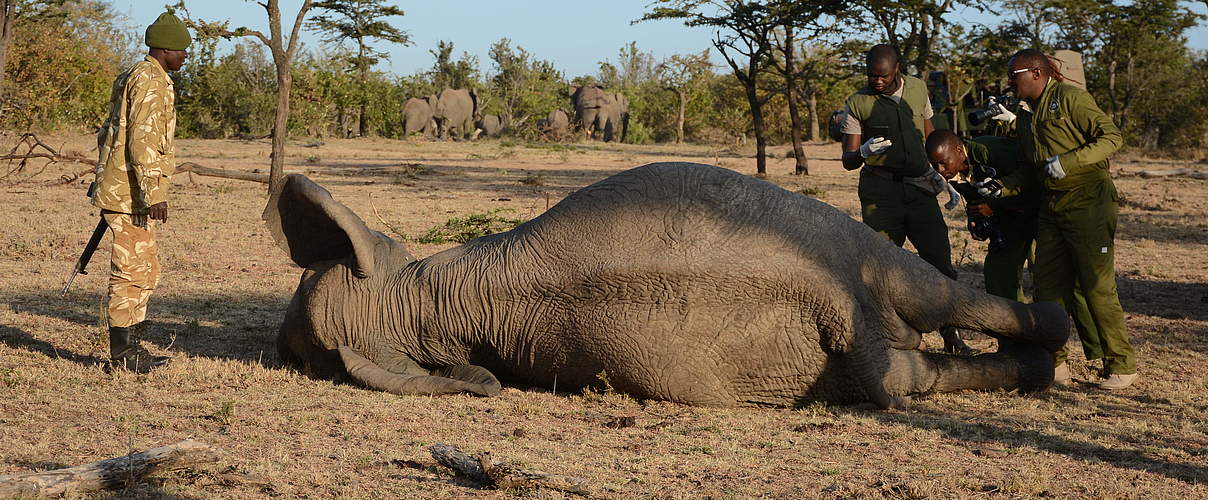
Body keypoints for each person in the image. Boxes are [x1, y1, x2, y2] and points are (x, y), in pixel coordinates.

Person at [980, 48, 1137, 390]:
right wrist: (1001, 188)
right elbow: (1029, 169)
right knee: (1048, 287)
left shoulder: (1070, 98)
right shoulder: (1024, 115)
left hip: (1088, 201)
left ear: (1036, 73)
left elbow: (1112, 137)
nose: (1010, 81)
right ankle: (1056, 363)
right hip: (1051, 205)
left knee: (1096, 286)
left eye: (1014, 74)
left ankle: (1121, 365)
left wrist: (1071, 161)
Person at [840, 44, 974, 355]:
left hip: (919, 187)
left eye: (883, 76)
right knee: (878, 267)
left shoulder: (917, 89)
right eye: (871, 76)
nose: (877, 81)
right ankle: (885, 338)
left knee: (940, 263)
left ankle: (951, 336)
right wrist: (862, 152)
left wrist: (942, 176)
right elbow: (847, 159)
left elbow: (932, 138)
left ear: (897, 68)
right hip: (881, 193)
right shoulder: (858, 103)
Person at [91, 11, 190, 372]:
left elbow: (111, 132)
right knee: (131, 271)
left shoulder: (139, 74)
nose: (185, 56)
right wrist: (153, 193)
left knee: (145, 270)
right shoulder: (149, 81)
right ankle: (122, 355)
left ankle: (130, 345)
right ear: (164, 49)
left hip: (127, 189)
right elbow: (142, 142)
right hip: (131, 194)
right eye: (181, 51)